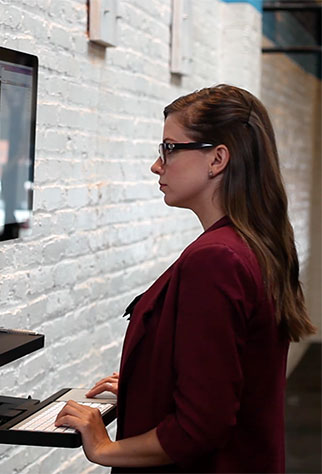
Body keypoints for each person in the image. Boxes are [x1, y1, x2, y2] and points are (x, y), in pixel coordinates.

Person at [55, 84, 317, 473]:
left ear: (217, 159)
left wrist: (104, 448)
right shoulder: (252, 244)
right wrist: (146, 385)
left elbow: (200, 427)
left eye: (170, 148)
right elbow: (233, 377)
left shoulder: (216, 259)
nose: (157, 165)